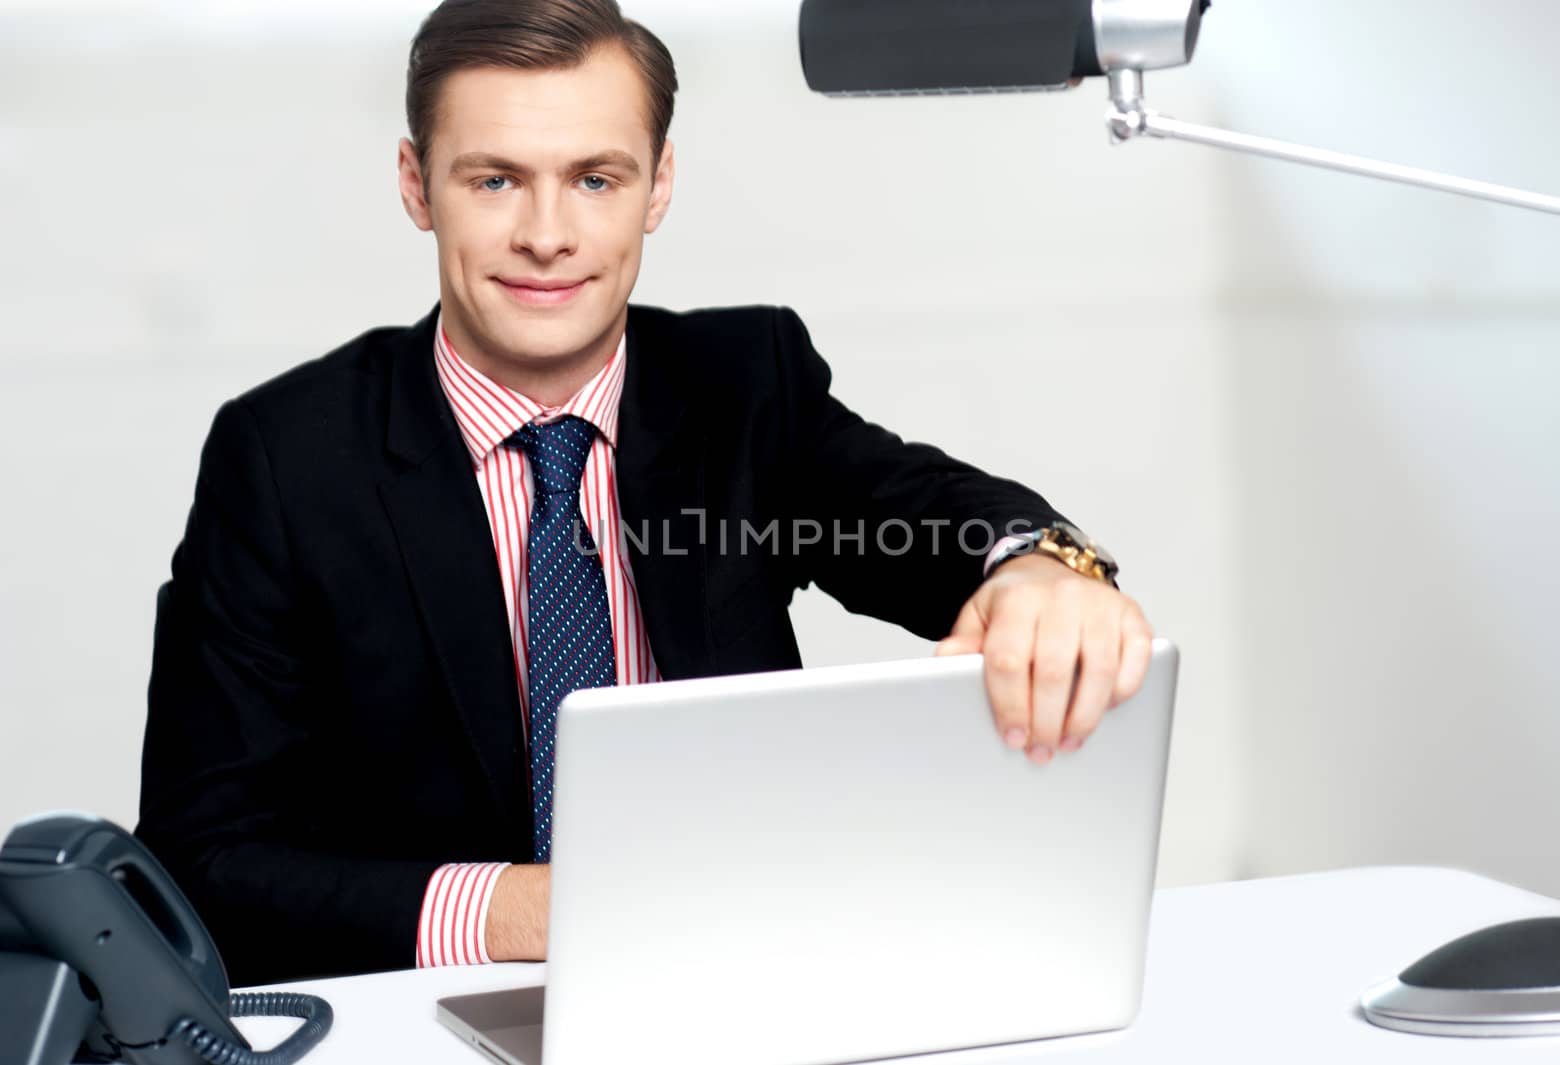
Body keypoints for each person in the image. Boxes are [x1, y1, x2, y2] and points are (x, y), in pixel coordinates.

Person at [136, 0, 1154, 986]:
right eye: (493, 181)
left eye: (594, 178)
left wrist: (1037, 565)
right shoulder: (285, 458)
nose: (547, 235)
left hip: (747, 990)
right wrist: (531, 909)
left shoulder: (742, 384)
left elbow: (920, 515)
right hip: (444, 1016)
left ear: (657, 185)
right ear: (415, 184)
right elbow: (205, 865)